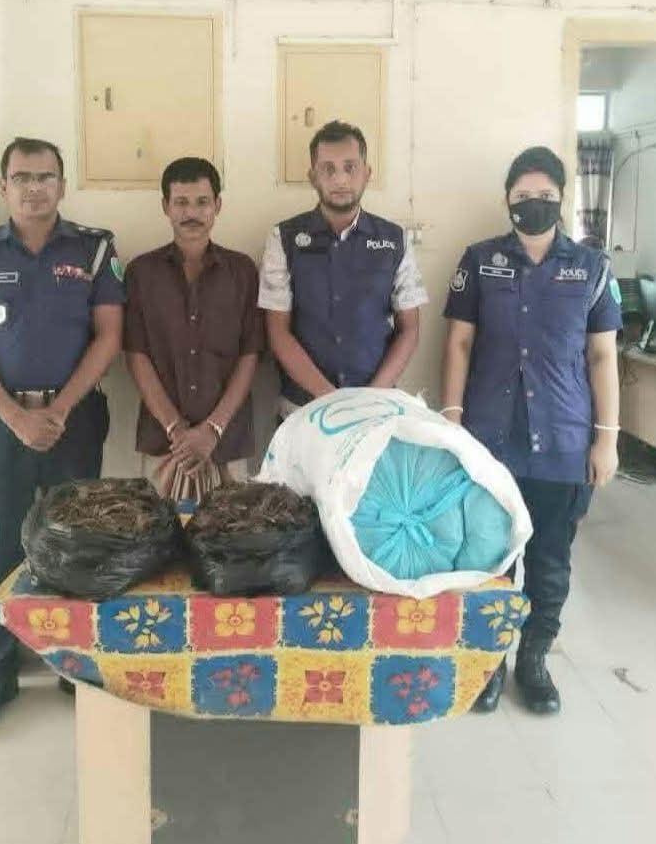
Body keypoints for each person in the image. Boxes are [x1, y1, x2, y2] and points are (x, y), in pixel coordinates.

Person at [0, 137, 125, 737]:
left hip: (76, 419)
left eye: (45, 177)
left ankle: (74, 668)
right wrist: (16, 417)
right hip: (0, 422)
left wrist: (60, 409)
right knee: (2, 544)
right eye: (21, 177)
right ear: (4, 187)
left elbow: (109, 337)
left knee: (79, 544)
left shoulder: (94, 249)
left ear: (62, 186)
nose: (34, 187)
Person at [441, 145, 621, 714]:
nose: (534, 204)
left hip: (563, 443)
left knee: (549, 562)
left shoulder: (592, 268)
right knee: (490, 558)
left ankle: (534, 661)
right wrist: (451, 419)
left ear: (562, 198)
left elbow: (602, 356)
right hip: (490, 441)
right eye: (523, 196)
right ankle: (489, 662)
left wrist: (607, 439)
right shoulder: (480, 260)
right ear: (507, 200)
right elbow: (459, 343)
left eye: (545, 195)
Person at [259, 120, 428, 414]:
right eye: (328, 169)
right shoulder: (283, 238)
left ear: (367, 174)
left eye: (350, 167)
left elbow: (410, 329)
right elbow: (278, 333)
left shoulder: (395, 240)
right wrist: (331, 400)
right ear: (313, 177)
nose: (340, 179)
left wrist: (370, 398)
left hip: (375, 408)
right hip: (302, 409)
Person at [124, 158, 263, 491]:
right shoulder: (141, 273)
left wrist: (212, 430)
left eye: (202, 202)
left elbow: (251, 355)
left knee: (232, 526)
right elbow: (136, 355)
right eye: (181, 202)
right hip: (165, 444)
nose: (192, 213)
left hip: (227, 443)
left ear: (217, 205)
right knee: (157, 525)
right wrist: (177, 429)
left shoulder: (242, 272)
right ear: (166, 207)